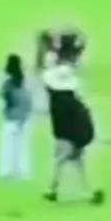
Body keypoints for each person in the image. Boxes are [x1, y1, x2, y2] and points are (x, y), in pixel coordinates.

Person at [42, 56, 103, 204]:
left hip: (65, 137)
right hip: (76, 138)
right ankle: (89, 191)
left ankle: (53, 190)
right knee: (78, 164)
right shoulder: (73, 101)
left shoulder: (58, 102)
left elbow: (61, 123)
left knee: (60, 162)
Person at [0, 54, 34, 183]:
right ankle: (23, 172)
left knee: (7, 146)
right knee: (23, 147)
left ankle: (6, 171)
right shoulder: (23, 80)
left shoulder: (7, 82)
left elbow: (3, 98)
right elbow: (28, 101)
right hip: (24, 118)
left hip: (11, 118)